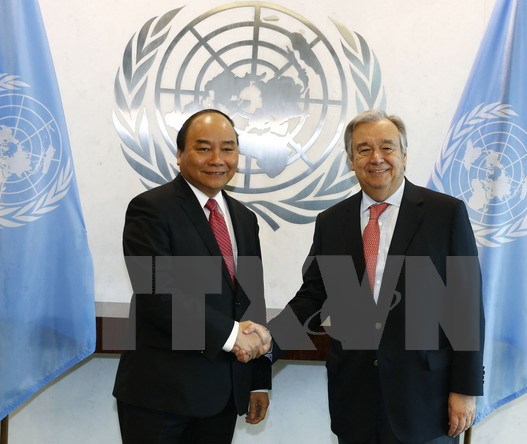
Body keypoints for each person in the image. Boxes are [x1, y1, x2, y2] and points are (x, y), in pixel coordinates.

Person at [254, 110, 484, 443]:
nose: (376, 157)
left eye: (387, 147)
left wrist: (465, 388)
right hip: (355, 400)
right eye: (363, 149)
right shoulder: (332, 222)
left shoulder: (445, 214)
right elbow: (313, 297)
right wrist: (269, 342)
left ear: (404, 155)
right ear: (351, 160)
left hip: (425, 401)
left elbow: (466, 307)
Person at [113, 109, 272, 444]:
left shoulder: (244, 219)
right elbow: (158, 296)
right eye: (203, 148)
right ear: (180, 154)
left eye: (227, 148)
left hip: (222, 397)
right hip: (160, 397)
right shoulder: (151, 209)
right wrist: (232, 334)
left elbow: (249, 301)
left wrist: (257, 380)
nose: (217, 159)